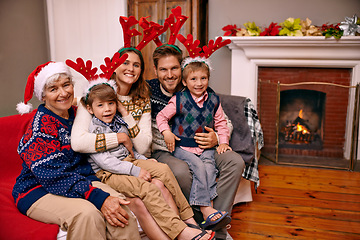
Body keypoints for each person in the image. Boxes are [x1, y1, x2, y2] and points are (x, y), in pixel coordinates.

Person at [71, 48, 214, 240]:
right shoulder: (95, 99)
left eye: (136, 65)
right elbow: (81, 144)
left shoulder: (132, 103)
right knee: (150, 187)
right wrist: (122, 141)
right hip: (110, 169)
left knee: (162, 171)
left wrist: (125, 115)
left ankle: (190, 221)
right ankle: (180, 233)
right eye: (125, 63)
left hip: (132, 158)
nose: (131, 68)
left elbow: (140, 147)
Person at [12, 62, 142, 240]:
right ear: (43, 96)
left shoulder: (79, 114)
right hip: (39, 189)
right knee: (87, 215)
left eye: (66, 85)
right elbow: (52, 175)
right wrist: (96, 196)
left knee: (121, 209)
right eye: (53, 89)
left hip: (80, 179)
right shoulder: (40, 126)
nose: (63, 93)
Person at [147, 45, 246, 240]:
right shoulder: (149, 92)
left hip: (203, 146)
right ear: (156, 70)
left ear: (182, 69)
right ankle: (203, 227)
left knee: (235, 162)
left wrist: (217, 138)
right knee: (183, 170)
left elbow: (223, 121)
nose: (169, 75)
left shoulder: (199, 86)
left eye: (174, 68)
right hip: (166, 150)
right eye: (163, 69)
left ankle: (217, 226)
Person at [156, 57, 232, 231]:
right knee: (197, 166)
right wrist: (166, 132)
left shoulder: (213, 100)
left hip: (205, 147)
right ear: (184, 81)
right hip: (182, 147)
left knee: (210, 168)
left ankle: (209, 208)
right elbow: (161, 117)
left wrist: (223, 142)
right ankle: (206, 209)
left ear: (208, 79)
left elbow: (221, 124)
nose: (199, 83)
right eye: (193, 79)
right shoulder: (179, 99)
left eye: (203, 78)